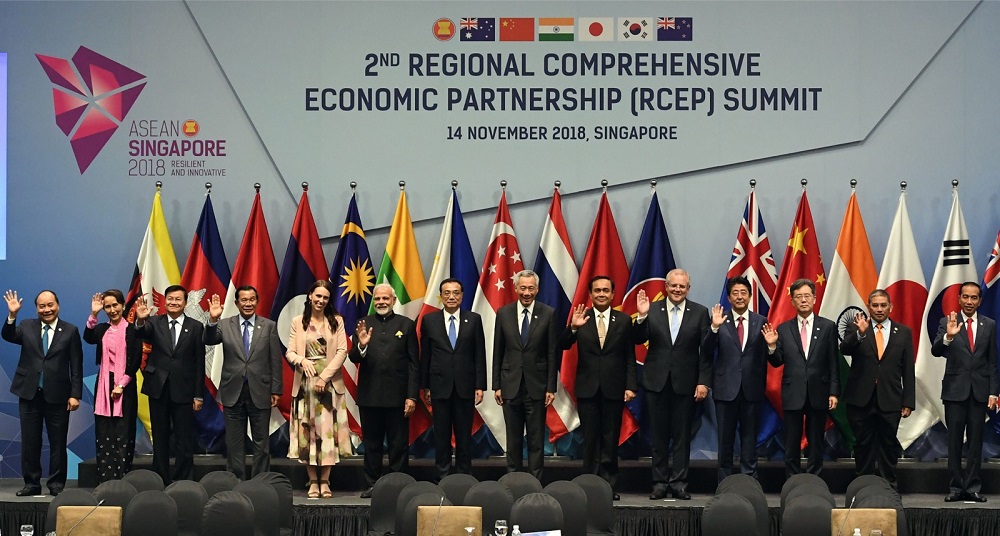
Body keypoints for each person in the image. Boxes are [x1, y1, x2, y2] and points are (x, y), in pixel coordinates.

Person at [633, 269, 718, 500]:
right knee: (658, 437)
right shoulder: (652, 309)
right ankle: (659, 483)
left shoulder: (700, 312)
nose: (678, 290)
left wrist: (703, 382)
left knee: (682, 437)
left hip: (686, 384)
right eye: (674, 286)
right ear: (666, 287)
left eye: (682, 286)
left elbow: (706, 351)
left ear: (688, 289)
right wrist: (641, 317)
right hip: (656, 382)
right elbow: (638, 339)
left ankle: (679, 483)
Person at [561, 275, 636, 500]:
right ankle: (590, 485)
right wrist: (573, 329)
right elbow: (562, 344)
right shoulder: (580, 318)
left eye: (606, 290)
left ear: (613, 294)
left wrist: (631, 385)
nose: (601, 294)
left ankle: (608, 487)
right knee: (590, 439)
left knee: (610, 439)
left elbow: (629, 356)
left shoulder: (623, 320)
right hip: (587, 389)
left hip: (614, 388)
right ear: (591, 294)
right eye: (597, 290)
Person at [3, 289, 82, 496]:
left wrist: (75, 394)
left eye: (50, 305)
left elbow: (76, 365)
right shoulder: (26, 326)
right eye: (42, 306)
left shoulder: (70, 330)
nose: (46, 309)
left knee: (58, 442)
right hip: (29, 394)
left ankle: (56, 485)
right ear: (36, 308)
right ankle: (31, 484)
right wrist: (12, 315)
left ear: (58, 305)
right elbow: (9, 335)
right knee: (30, 441)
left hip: (58, 395)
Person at [204, 286, 283, 480]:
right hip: (232, 390)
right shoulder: (224, 324)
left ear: (257, 301)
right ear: (237, 303)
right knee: (234, 442)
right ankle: (235, 479)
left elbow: (275, 360)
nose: (248, 304)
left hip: (261, 390)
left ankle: (260, 480)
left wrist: (276, 389)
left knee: (261, 441)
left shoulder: (269, 326)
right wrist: (213, 320)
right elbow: (209, 340)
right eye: (244, 300)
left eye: (252, 300)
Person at [763, 278, 839, 478]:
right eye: (799, 297)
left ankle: (815, 479)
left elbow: (833, 362)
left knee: (816, 440)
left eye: (807, 296)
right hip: (793, 392)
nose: (803, 300)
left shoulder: (828, 327)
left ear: (814, 298)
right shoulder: (783, 328)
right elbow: (777, 362)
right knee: (791, 441)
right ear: (792, 301)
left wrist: (833, 391)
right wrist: (771, 346)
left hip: (819, 391)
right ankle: (792, 480)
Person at [840, 289, 915, 490]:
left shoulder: (904, 332)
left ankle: (887, 486)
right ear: (868, 306)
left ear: (891, 307)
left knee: (888, 444)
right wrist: (860, 333)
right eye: (875, 305)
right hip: (860, 398)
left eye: (883, 305)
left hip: (890, 398)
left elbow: (908, 368)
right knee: (862, 444)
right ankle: (862, 486)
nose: (879, 309)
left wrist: (908, 401)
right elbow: (844, 349)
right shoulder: (857, 328)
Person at [931, 281, 998, 502]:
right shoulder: (947, 322)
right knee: (954, 441)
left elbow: (992, 362)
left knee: (976, 441)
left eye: (974, 298)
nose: (969, 301)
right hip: (954, 391)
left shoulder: (989, 325)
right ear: (959, 299)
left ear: (979, 300)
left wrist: (993, 392)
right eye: (965, 297)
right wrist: (948, 337)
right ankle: (956, 487)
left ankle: (972, 486)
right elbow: (936, 350)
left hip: (980, 392)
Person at [350, 283, 419, 498]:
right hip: (370, 396)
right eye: (378, 299)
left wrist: (411, 395)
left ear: (394, 300)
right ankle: (373, 485)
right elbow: (353, 357)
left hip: (398, 397)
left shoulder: (406, 324)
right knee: (372, 445)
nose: (381, 302)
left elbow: (413, 364)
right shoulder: (363, 324)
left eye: (385, 299)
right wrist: (361, 345)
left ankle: (399, 485)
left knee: (398, 445)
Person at [134, 284, 205, 485]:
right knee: (160, 437)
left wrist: (198, 395)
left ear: (185, 302)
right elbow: (140, 333)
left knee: (184, 439)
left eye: (178, 299)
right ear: (165, 302)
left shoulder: (196, 327)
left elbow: (199, 363)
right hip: (159, 388)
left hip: (184, 390)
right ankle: (160, 479)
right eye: (170, 299)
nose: (173, 302)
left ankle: (183, 481)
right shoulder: (154, 322)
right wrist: (140, 319)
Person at [493, 270, 559, 480]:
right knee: (513, 439)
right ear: (515, 288)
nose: (527, 292)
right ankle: (513, 480)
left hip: (537, 386)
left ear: (537, 289)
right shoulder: (504, 313)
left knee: (536, 438)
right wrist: (497, 385)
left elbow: (551, 353)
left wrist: (551, 387)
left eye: (531, 288)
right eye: (523, 288)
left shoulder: (548, 313)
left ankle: (534, 481)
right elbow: (498, 351)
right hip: (510, 384)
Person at [285, 280, 347, 498]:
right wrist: (302, 361)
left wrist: (324, 376)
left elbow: (342, 351)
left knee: (327, 434)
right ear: (310, 295)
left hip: (328, 384)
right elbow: (290, 352)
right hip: (305, 385)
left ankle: (325, 481)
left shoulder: (336, 321)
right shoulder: (297, 322)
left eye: (325, 297)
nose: (321, 301)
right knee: (308, 433)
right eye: (317, 296)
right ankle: (312, 481)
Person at [421, 278, 486, 481]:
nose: (451, 296)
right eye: (447, 293)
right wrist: (425, 386)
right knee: (441, 436)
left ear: (462, 295)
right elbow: (426, 356)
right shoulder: (429, 320)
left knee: (464, 435)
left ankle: (464, 476)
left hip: (465, 387)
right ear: (441, 296)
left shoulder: (473, 319)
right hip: (439, 386)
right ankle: (443, 477)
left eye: (456, 292)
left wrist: (480, 385)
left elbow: (479, 355)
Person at [712, 276, 769, 484]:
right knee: (725, 441)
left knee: (749, 439)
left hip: (751, 389)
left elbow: (767, 357)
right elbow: (707, 351)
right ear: (728, 297)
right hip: (725, 388)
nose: (739, 296)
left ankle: (749, 481)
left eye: (743, 292)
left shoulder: (761, 321)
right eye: (735, 293)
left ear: (750, 296)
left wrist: (772, 346)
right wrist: (714, 328)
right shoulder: (720, 320)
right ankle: (724, 482)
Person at [84, 289, 141, 483]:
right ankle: (105, 480)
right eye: (107, 306)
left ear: (123, 305)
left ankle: (122, 480)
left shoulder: (133, 330)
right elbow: (88, 337)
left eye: (115, 305)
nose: (111, 309)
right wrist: (93, 314)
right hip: (104, 386)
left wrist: (122, 385)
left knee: (123, 434)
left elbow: (135, 360)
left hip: (125, 386)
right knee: (104, 433)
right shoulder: (101, 329)